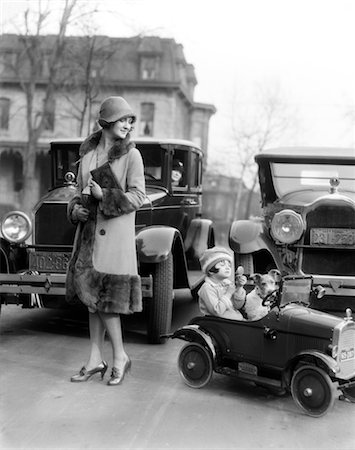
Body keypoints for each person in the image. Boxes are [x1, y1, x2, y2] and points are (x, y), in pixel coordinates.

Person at [66, 96, 146, 386]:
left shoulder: (132, 155)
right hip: (88, 235)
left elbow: (138, 196)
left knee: (106, 301)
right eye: (123, 119)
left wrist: (106, 197)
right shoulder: (86, 153)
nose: (128, 125)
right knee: (91, 299)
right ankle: (94, 359)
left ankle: (120, 355)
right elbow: (78, 190)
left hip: (114, 237)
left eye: (130, 121)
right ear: (107, 121)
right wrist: (75, 209)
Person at [198, 247, 244, 320]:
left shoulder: (227, 284)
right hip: (219, 324)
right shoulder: (207, 288)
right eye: (222, 265)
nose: (228, 268)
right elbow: (217, 311)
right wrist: (228, 293)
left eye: (229, 265)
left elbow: (238, 306)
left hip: (235, 320)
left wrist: (239, 288)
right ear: (210, 270)